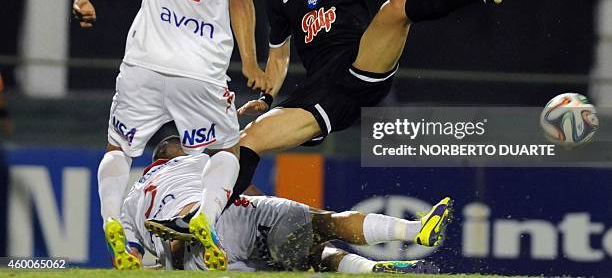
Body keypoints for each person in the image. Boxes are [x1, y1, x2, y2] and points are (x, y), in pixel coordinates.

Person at [231, 0, 504, 217]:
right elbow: (279, 55)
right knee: (245, 143)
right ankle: (203, 221)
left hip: (362, 67)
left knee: (396, 8)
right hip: (321, 93)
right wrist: (266, 96)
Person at [71, 0, 278, 270]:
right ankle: (205, 215)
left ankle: (113, 222)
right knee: (226, 149)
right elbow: (240, 0)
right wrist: (252, 61)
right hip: (199, 71)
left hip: (143, 62)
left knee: (119, 149)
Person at [120, 136, 445, 273]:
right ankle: (409, 233)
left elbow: (130, 258)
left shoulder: (133, 198)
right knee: (321, 228)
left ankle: (370, 269)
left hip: (195, 250)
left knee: (300, 257)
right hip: (236, 214)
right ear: (181, 152)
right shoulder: (201, 160)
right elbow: (245, 188)